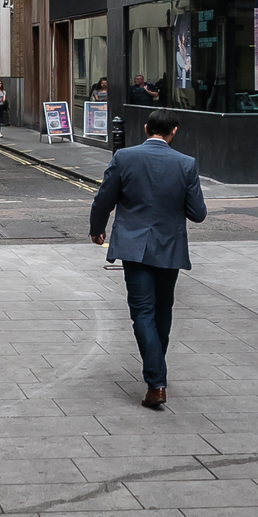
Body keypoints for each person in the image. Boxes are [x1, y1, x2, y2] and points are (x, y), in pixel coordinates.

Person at [90, 107, 207, 409]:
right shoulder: (186, 164)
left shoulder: (124, 157)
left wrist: (97, 229)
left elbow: (104, 197)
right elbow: (198, 214)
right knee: (163, 309)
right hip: (170, 246)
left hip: (134, 246)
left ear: (145, 129)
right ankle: (157, 374)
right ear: (174, 131)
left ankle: (156, 381)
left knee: (142, 311)